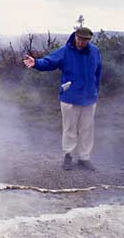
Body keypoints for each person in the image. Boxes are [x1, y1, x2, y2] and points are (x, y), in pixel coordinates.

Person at [23, 27, 102, 171]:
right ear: (75, 37)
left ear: (89, 40)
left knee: (87, 129)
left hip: (89, 97)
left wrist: (95, 90)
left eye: (85, 40)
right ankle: (68, 155)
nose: (81, 43)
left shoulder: (94, 51)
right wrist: (36, 63)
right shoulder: (66, 51)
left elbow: (98, 72)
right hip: (70, 96)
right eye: (79, 39)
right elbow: (49, 61)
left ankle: (84, 158)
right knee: (70, 128)